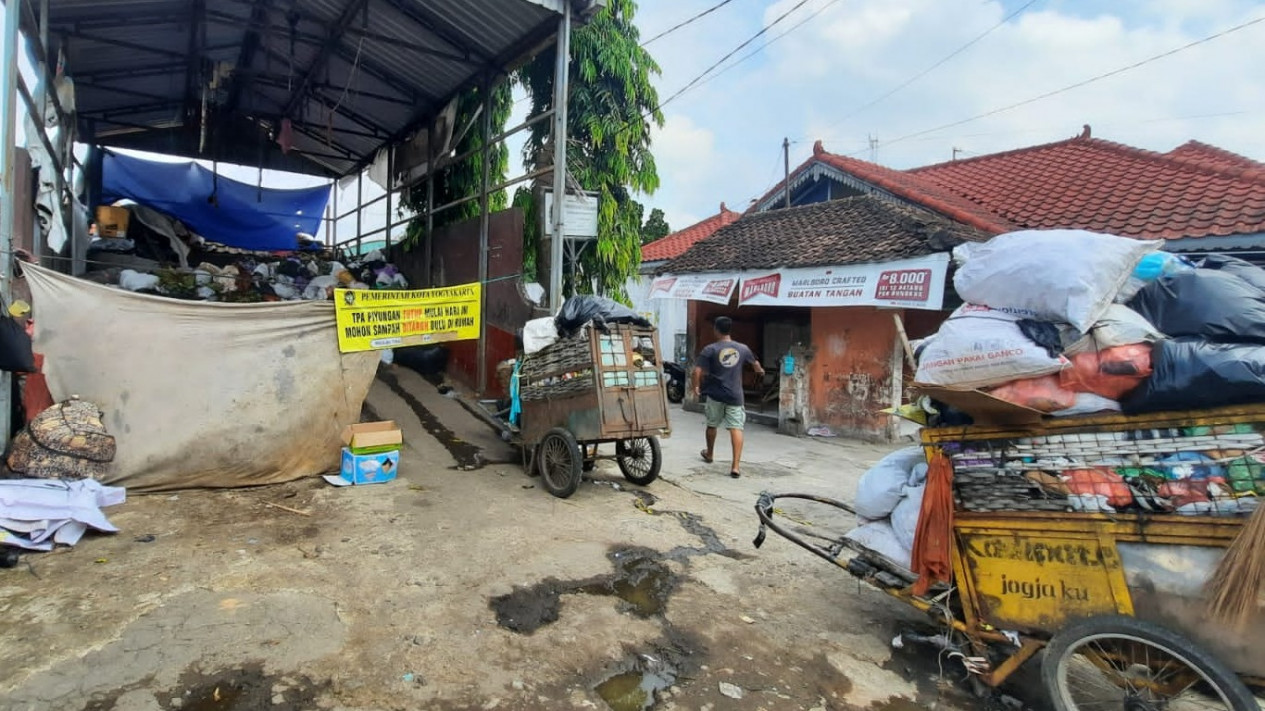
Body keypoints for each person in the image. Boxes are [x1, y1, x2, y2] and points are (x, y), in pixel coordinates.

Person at [694, 316, 764, 478]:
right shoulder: (743, 348)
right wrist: (760, 372)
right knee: (736, 428)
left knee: (712, 425)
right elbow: (756, 366)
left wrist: (696, 386)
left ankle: (710, 453)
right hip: (735, 395)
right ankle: (735, 467)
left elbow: (696, 371)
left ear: (716, 330)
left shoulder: (710, 349)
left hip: (715, 394)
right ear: (729, 330)